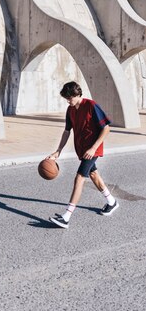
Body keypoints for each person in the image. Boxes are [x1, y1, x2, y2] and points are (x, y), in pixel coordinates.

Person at [47, 81, 118, 229]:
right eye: (66, 98)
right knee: (93, 175)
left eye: (70, 97)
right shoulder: (70, 110)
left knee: (79, 178)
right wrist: (58, 151)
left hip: (92, 150)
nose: (68, 100)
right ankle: (112, 202)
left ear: (77, 94)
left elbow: (106, 128)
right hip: (82, 149)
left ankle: (66, 216)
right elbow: (67, 131)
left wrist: (93, 148)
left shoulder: (91, 105)